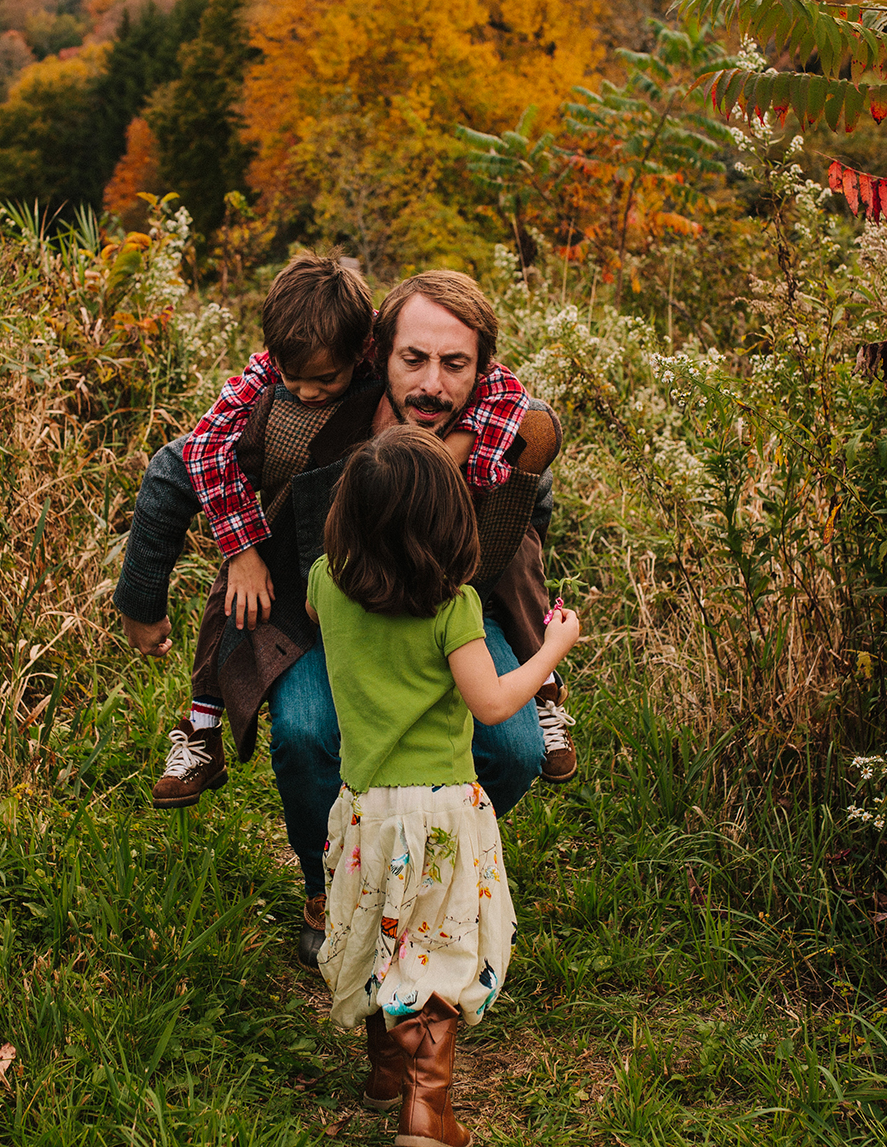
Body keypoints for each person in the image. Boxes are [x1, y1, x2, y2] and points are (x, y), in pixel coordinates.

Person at [115, 269, 570, 969]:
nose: (432, 384)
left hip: (449, 613)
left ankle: (427, 865)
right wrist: (143, 600)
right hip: (321, 612)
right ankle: (327, 884)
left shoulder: (499, 422)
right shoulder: (307, 410)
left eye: (454, 364)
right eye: (413, 359)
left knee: (514, 752)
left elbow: (527, 503)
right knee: (304, 733)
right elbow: (174, 471)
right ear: (377, 351)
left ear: (480, 368)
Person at [307, 427, 580, 1146]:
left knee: (375, 935)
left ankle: (384, 1072)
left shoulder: (324, 587)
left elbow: (323, 613)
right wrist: (551, 647)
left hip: (366, 809)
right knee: (437, 946)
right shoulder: (453, 606)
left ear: (346, 518)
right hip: (442, 812)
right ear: (449, 525)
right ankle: (426, 1109)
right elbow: (492, 704)